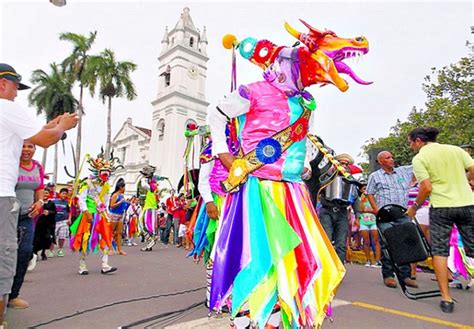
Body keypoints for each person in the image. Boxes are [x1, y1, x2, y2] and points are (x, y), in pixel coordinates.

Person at [206, 18, 372, 325]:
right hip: (260, 187)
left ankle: (282, 317)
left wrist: (305, 162)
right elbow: (216, 114)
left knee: (298, 257)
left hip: (294, 190)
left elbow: (305, 138)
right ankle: (248, 316)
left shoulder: (305, 103)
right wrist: (224, 154)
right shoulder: (253, 91)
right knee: (259, 256)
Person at [0, 63, 78, 328]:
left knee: (19, 253)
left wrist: (54, 125)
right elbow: (43, 139)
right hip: (3, 198)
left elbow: (35, 132)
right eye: (14, 88)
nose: (16, 94)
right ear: (2, 84)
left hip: (19, 209)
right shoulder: (5, 106)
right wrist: (63, 127)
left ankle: (13, 295)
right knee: (4, 259)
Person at [406, 127, 474, 313]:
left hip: (441, 208)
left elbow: (426, 187)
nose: (410, 146)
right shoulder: (455, 150)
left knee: (440, 252)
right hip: (467, 204)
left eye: (410, 142)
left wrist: (414, 208)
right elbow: (473, 169)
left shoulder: (420, 158)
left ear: (418, 140)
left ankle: (446, 298)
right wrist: (470, 182)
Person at [366, 150, 418, 289]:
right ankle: (388, 275)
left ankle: (405, 276)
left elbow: (418, 162)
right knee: (387, 244)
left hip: (402, 213)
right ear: (381, 161)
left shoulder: (403, 172)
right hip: (385, 214)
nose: (391, 159)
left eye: (392, 157)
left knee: (405, 243)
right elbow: (369, 193)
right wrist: (376, 209)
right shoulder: (375, 176)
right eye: (388, 158)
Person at [69, 152, 119, 275]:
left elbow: (106, 201)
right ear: (98, 171)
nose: (106, 174)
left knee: (105, 237)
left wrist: (107, 212)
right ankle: (82, 265)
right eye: (103, 171)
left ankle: (105, 265)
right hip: (89, 215)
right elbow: (82, 198)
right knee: (85, 239)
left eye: (108, 172)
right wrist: (86, 212)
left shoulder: (107, 186)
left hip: (101, 215)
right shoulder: (88, 183)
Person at [9, 141, 45, 309]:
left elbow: (39, 188)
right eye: (22, 145)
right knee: (6, 255)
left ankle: (13, 295)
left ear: (35, 149)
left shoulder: (37, 166)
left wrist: (40, 202)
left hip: (26, 217)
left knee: (24, 253)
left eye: (30, 146)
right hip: (6, 216)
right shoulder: (9, 162)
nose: (26, 149)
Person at [318, 153, 360, 263]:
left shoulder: (351, 181)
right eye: (342, 163)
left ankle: (339, 269)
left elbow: (355, 199)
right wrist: (330, 178)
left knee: (341, 243)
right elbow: (317, 190)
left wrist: (357, 216)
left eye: (347, 164)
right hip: (327, 210)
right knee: (326, 239)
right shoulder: (326, 176)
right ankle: (327, 268)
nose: (344, 166)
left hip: (342, 212)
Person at [358, 184, 381, 268]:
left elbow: (376, 210)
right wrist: (362, 200)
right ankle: (368, 260)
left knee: (376, 241)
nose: (365, 191)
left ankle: (377, 261)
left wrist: (370, 210)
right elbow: (360, 210)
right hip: (364, 221)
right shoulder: (361, 199)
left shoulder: (375, 198)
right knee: (366, 241)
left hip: (374, 221)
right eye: (364, 189)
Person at [138, 165, 160, 251]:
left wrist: (144, 179)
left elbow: (144, 185)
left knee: (144, 225)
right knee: (143, 225)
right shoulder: (152, 184)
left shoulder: (153, 185)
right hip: (148, 207)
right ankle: (149, 243)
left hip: (150, 208)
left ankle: (152, 240)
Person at [32, 189, 56, 261]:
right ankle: (35, 253)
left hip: (47, 224)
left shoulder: (51, 203)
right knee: (36, 239)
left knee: (46, 238)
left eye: (47, 193)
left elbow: (54, 212)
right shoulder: (37, 202)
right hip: (38, 224)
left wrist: (49, 212)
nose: (45, 195)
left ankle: (43, 252)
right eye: (44, 193)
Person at [49, 188, 70, 258]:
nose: (64, 195)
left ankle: (60, 250)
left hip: (63, 221)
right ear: (60, 194)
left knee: (62, 236)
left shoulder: (67, 203)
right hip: (53, 221)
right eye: (63, 193)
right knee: (52, 236)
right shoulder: (53, 201)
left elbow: (70, 212)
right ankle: (51, 251)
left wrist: (69, 219)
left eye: (66, 194)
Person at [109, 179, 128, 255]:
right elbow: (111, 205)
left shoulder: (121, 196)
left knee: (119, 233)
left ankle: (119, 249)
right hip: (114, 215)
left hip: (121, 215)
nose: (125, 189)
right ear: (120, 187)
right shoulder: (115, 195)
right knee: (110, 232)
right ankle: (109, 249)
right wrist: (120, 202)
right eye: (124, 187)